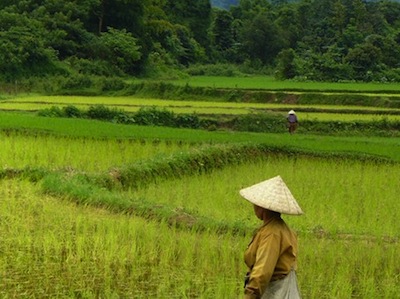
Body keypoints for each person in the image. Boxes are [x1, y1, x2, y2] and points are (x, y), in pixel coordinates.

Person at [240, 175, 303, 299]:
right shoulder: (281, 228)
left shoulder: (272, 233)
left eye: (255, 204)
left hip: (276, 293)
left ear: (262, 207)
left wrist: (251, 295)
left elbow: (262, 271)